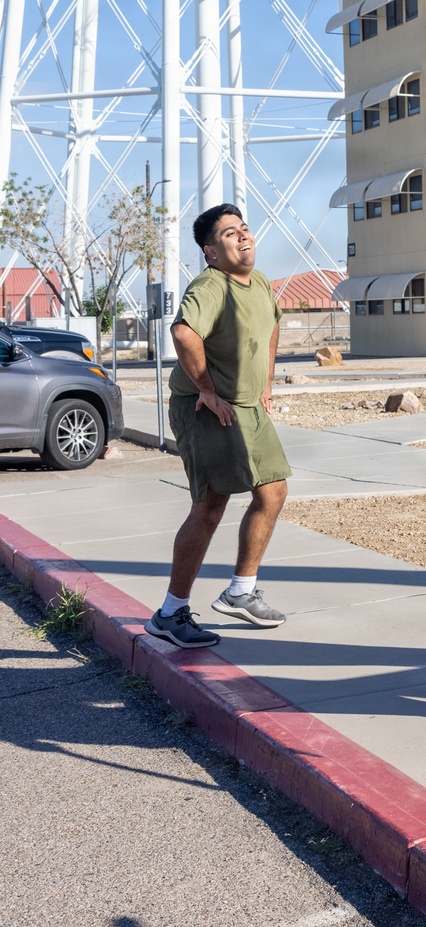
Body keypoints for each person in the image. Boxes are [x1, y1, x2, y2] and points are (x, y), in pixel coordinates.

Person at [145, 204, 291, 648]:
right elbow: (184, 333)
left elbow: (271, 329)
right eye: (230, 233)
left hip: (248, 407)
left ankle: (240, 593)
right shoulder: (211, 285)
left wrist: (265, 384)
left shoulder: (261, 281)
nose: (243, 236)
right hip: (205, 408)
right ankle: (170, 613)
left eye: (244, 228)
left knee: (273, 490)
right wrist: (207, 389)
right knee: (212, 504)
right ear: (211, 251)